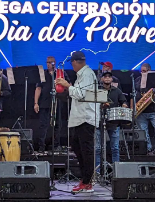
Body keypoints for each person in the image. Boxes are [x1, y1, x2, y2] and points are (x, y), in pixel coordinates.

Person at [56, 51, 99, 194]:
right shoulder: (83, 75)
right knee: (77, 147)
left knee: (86, 151)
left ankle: (87, 183)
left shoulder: (86, 74)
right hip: (80, 117)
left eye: (72, 64)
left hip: (86, 117)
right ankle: (85, 179)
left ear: (74, 62)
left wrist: (67, 85)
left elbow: (81, 94)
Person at [34, 56, 70, 153]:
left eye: (51, 62)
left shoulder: (60, 74)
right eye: (47, 63)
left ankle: (56, 145)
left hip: (58, 102)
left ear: (54, 63)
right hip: (44, 102)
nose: (49, 64)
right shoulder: (43, 74)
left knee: (58, 124)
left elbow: (68, 86)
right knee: (43, 125)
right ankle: (41, 146)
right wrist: (36, 103)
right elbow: (38, 88)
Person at [131, 63, 155, 154]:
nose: (143, 73)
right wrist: (132, 108)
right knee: (143, 131)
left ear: (149, 71)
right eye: (141, 71)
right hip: (141, 111)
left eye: (145, 71)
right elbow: (132, 96)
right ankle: (147, 148)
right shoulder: (137, 81)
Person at [95, 71, 128, 168]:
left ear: (112, 79)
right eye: (105, 77)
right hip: (99, 121)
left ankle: (116, 170)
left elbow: (123, 101)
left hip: (114, 122)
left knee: (115, 148)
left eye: (109, 77)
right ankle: (97, 171)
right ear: (102, 79)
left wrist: (124, 105)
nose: (107, 78)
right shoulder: (97, 90)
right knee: (97, 149)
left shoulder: (117, 90)